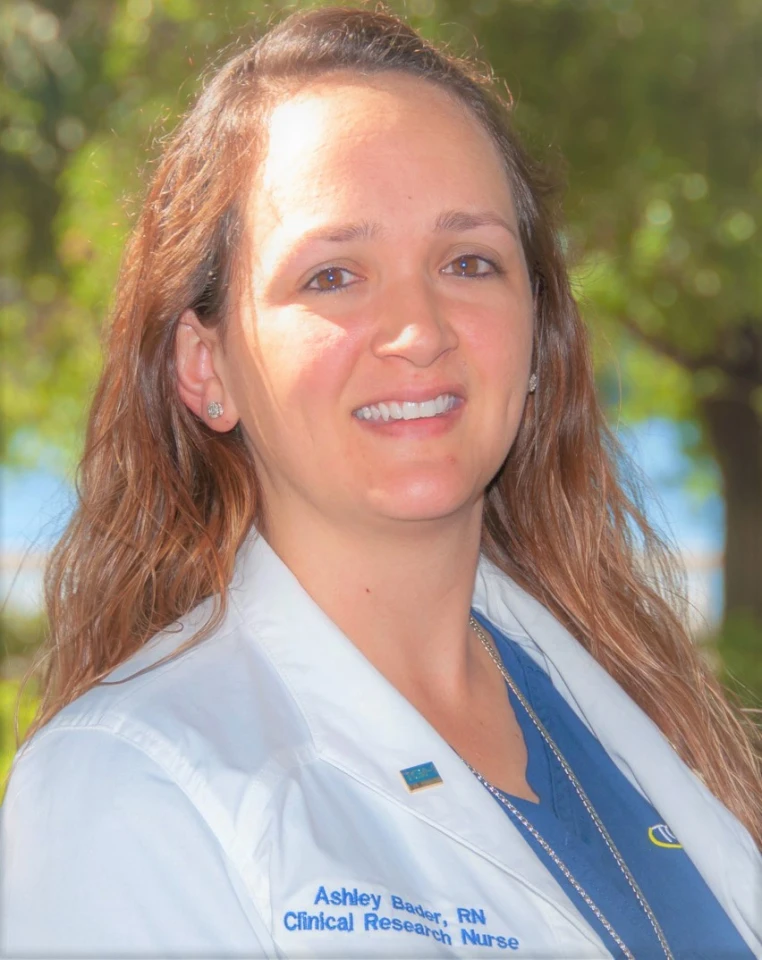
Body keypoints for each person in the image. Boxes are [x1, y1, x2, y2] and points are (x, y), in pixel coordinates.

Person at [2, 6, 760, 958]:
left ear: (537, 338)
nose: (419, 330)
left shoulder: (627, 697)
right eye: (333, 276)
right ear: (207, 368)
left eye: (469, 261)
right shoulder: (126, 788)